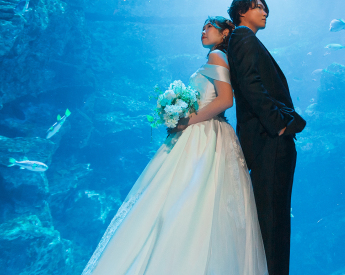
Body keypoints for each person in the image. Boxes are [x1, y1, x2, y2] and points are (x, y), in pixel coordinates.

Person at [80, 16, 268, 275]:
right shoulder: (214, 59)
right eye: (201, 27)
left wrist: (187, 121)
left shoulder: (217, 57)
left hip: (206, 134)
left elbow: (225, 100)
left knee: (188, 197)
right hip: (202, 132)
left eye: (209, 27)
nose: (203, 31)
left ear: (225, 33)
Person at [227, 0, 306, 275]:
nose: (265, 12)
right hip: (268, 138)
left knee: (276, 216)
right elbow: (250, 84)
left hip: (270, 138)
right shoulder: (242, 37)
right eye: (258, 7)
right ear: (241, 11)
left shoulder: (247, 39)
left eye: (265, 8)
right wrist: (278, 125)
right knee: (273, 219)